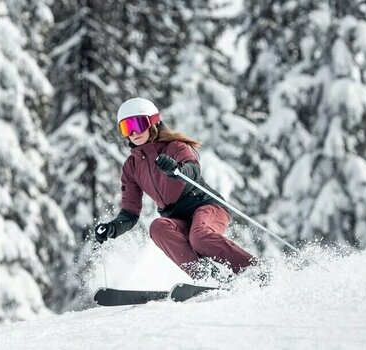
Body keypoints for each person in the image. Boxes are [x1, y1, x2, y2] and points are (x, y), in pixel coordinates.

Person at [95, 97, 258, 281]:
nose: (133, 132)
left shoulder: (175, 147)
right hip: (176, 218)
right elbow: (130, 213)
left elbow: (193, 170)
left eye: (138, 124)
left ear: (153, 122)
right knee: (157, 227)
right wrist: (113, 228)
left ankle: (253, 269)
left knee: (200, 237)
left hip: (206, 206)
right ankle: (207, 276)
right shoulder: (131, 167)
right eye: (126, 128)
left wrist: (177, 170)